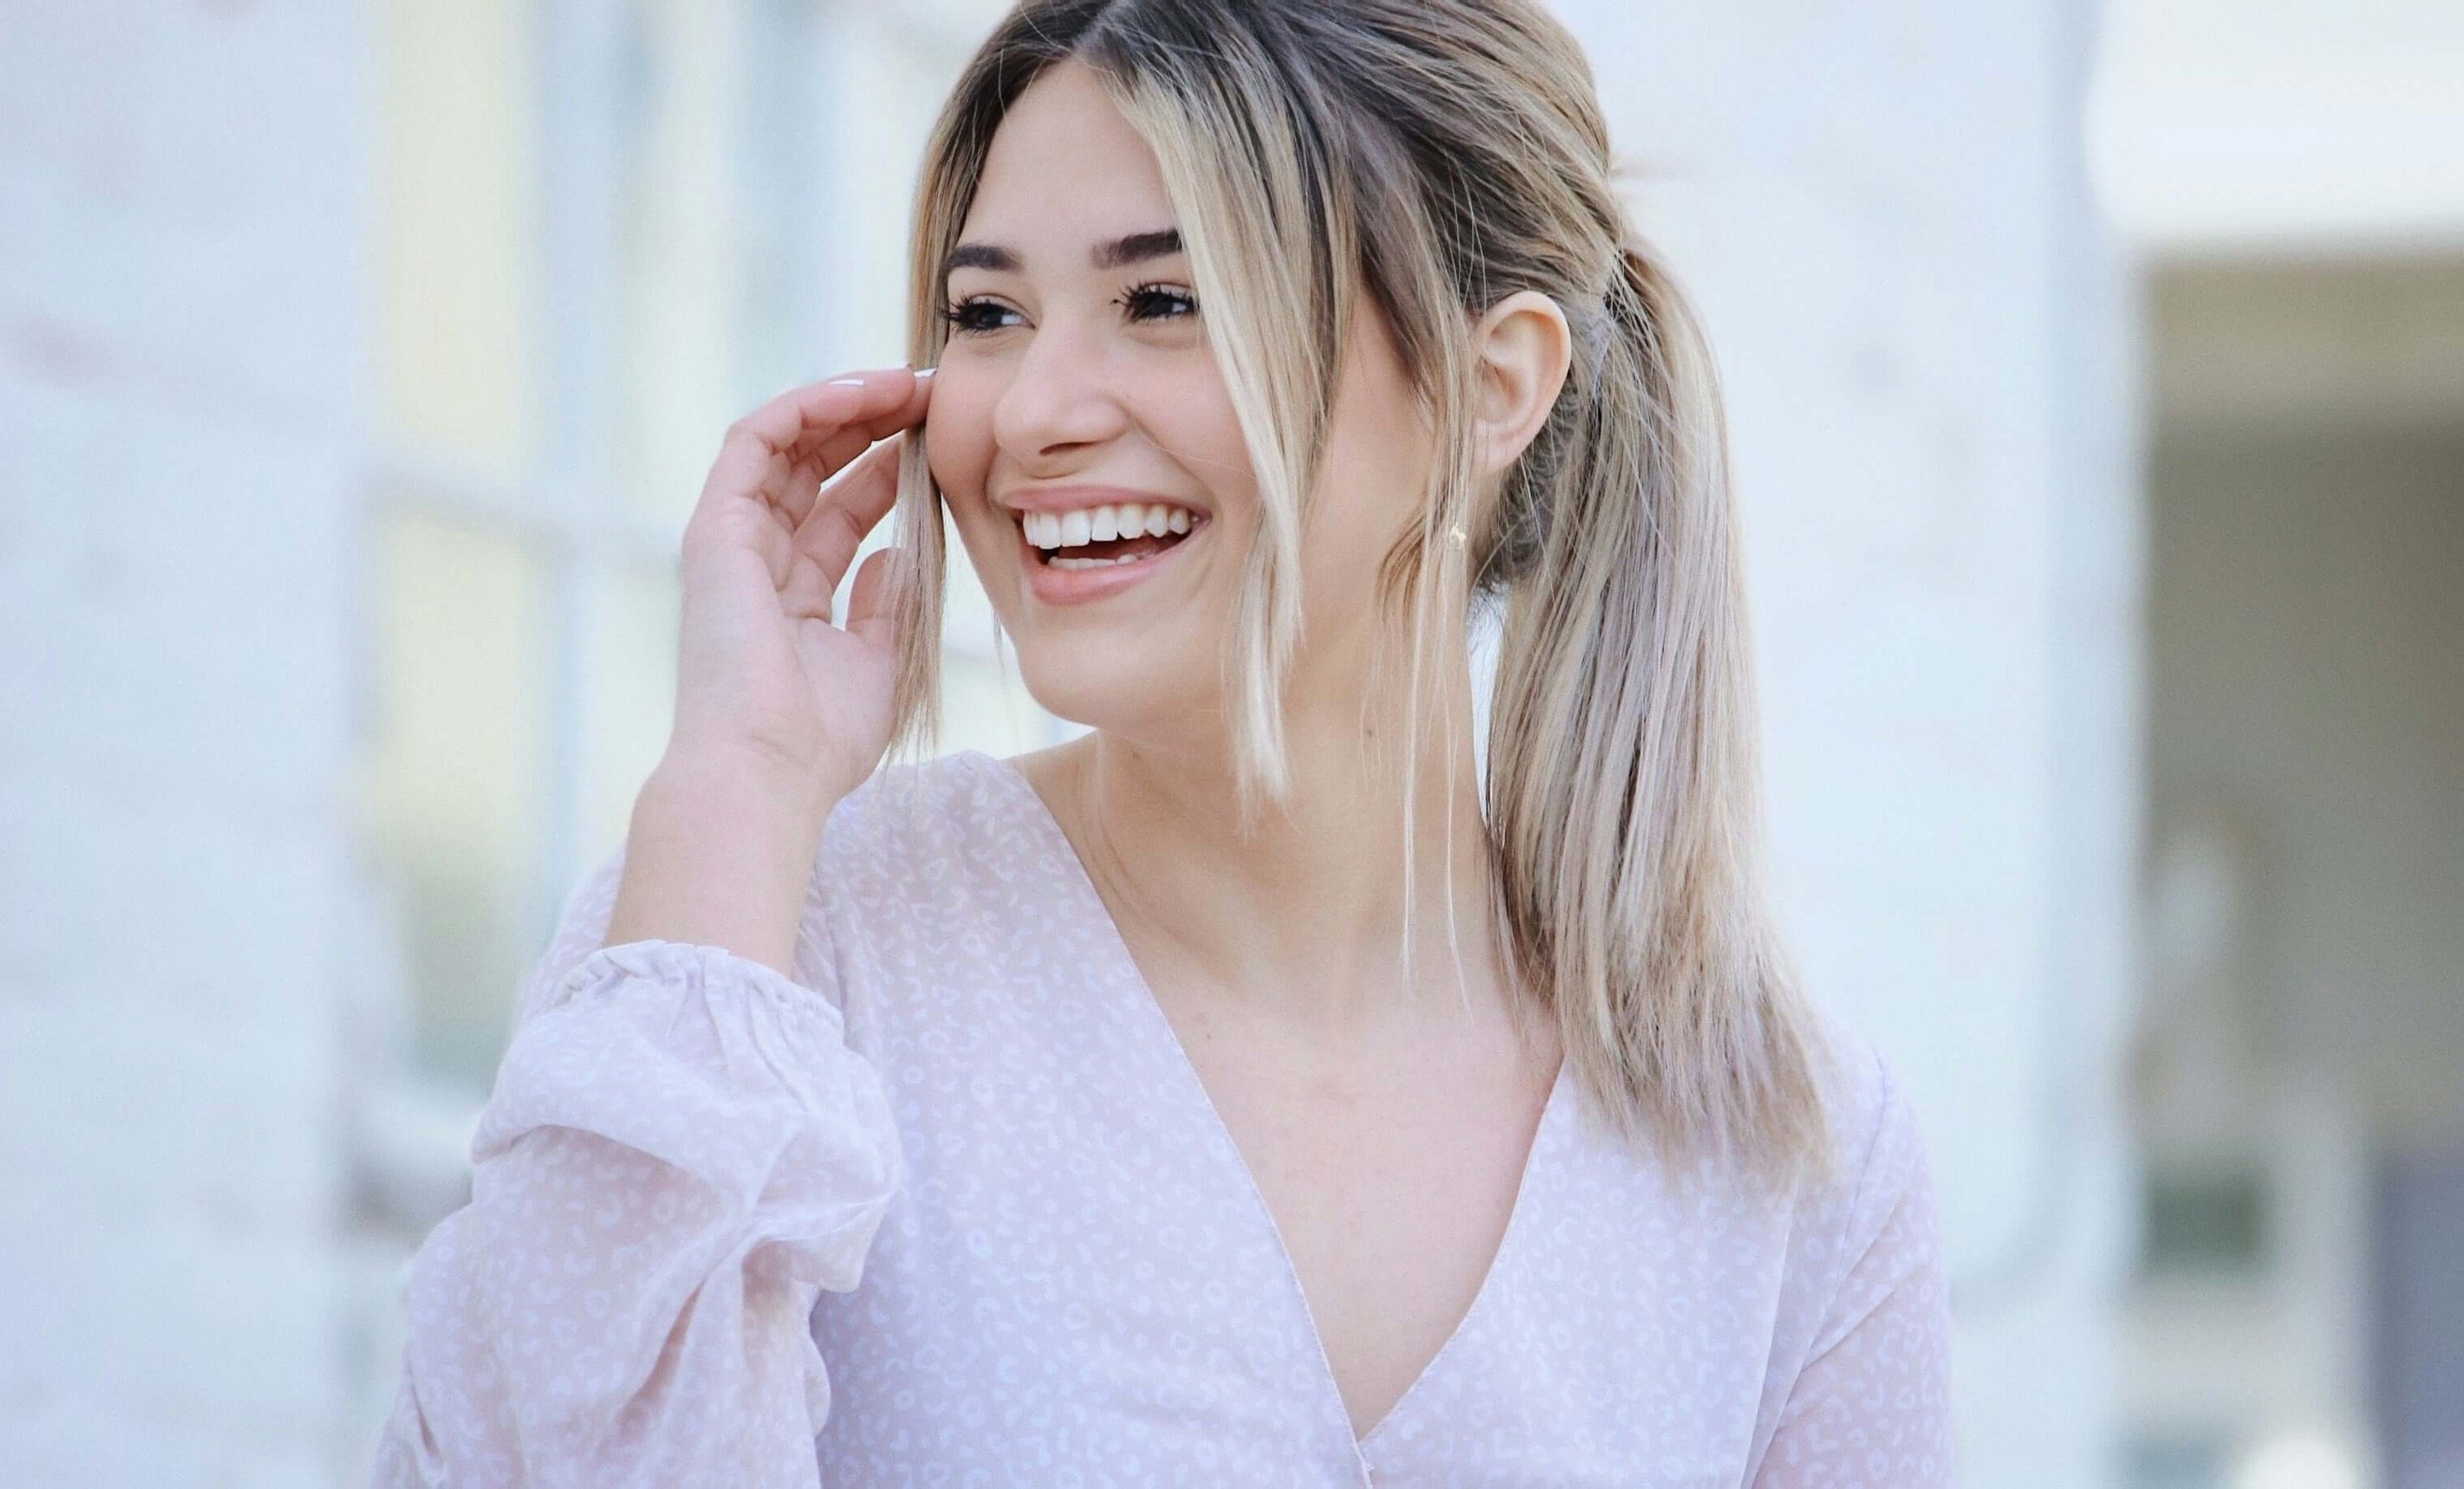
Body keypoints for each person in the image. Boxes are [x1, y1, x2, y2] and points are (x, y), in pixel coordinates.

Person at [374, 1, 1953, 1483]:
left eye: (1164, 300)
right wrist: (737, 783)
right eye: (987, 313)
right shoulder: (761, 958)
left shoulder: (1791, 1158)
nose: (1034, 407)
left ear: (1491, 387)